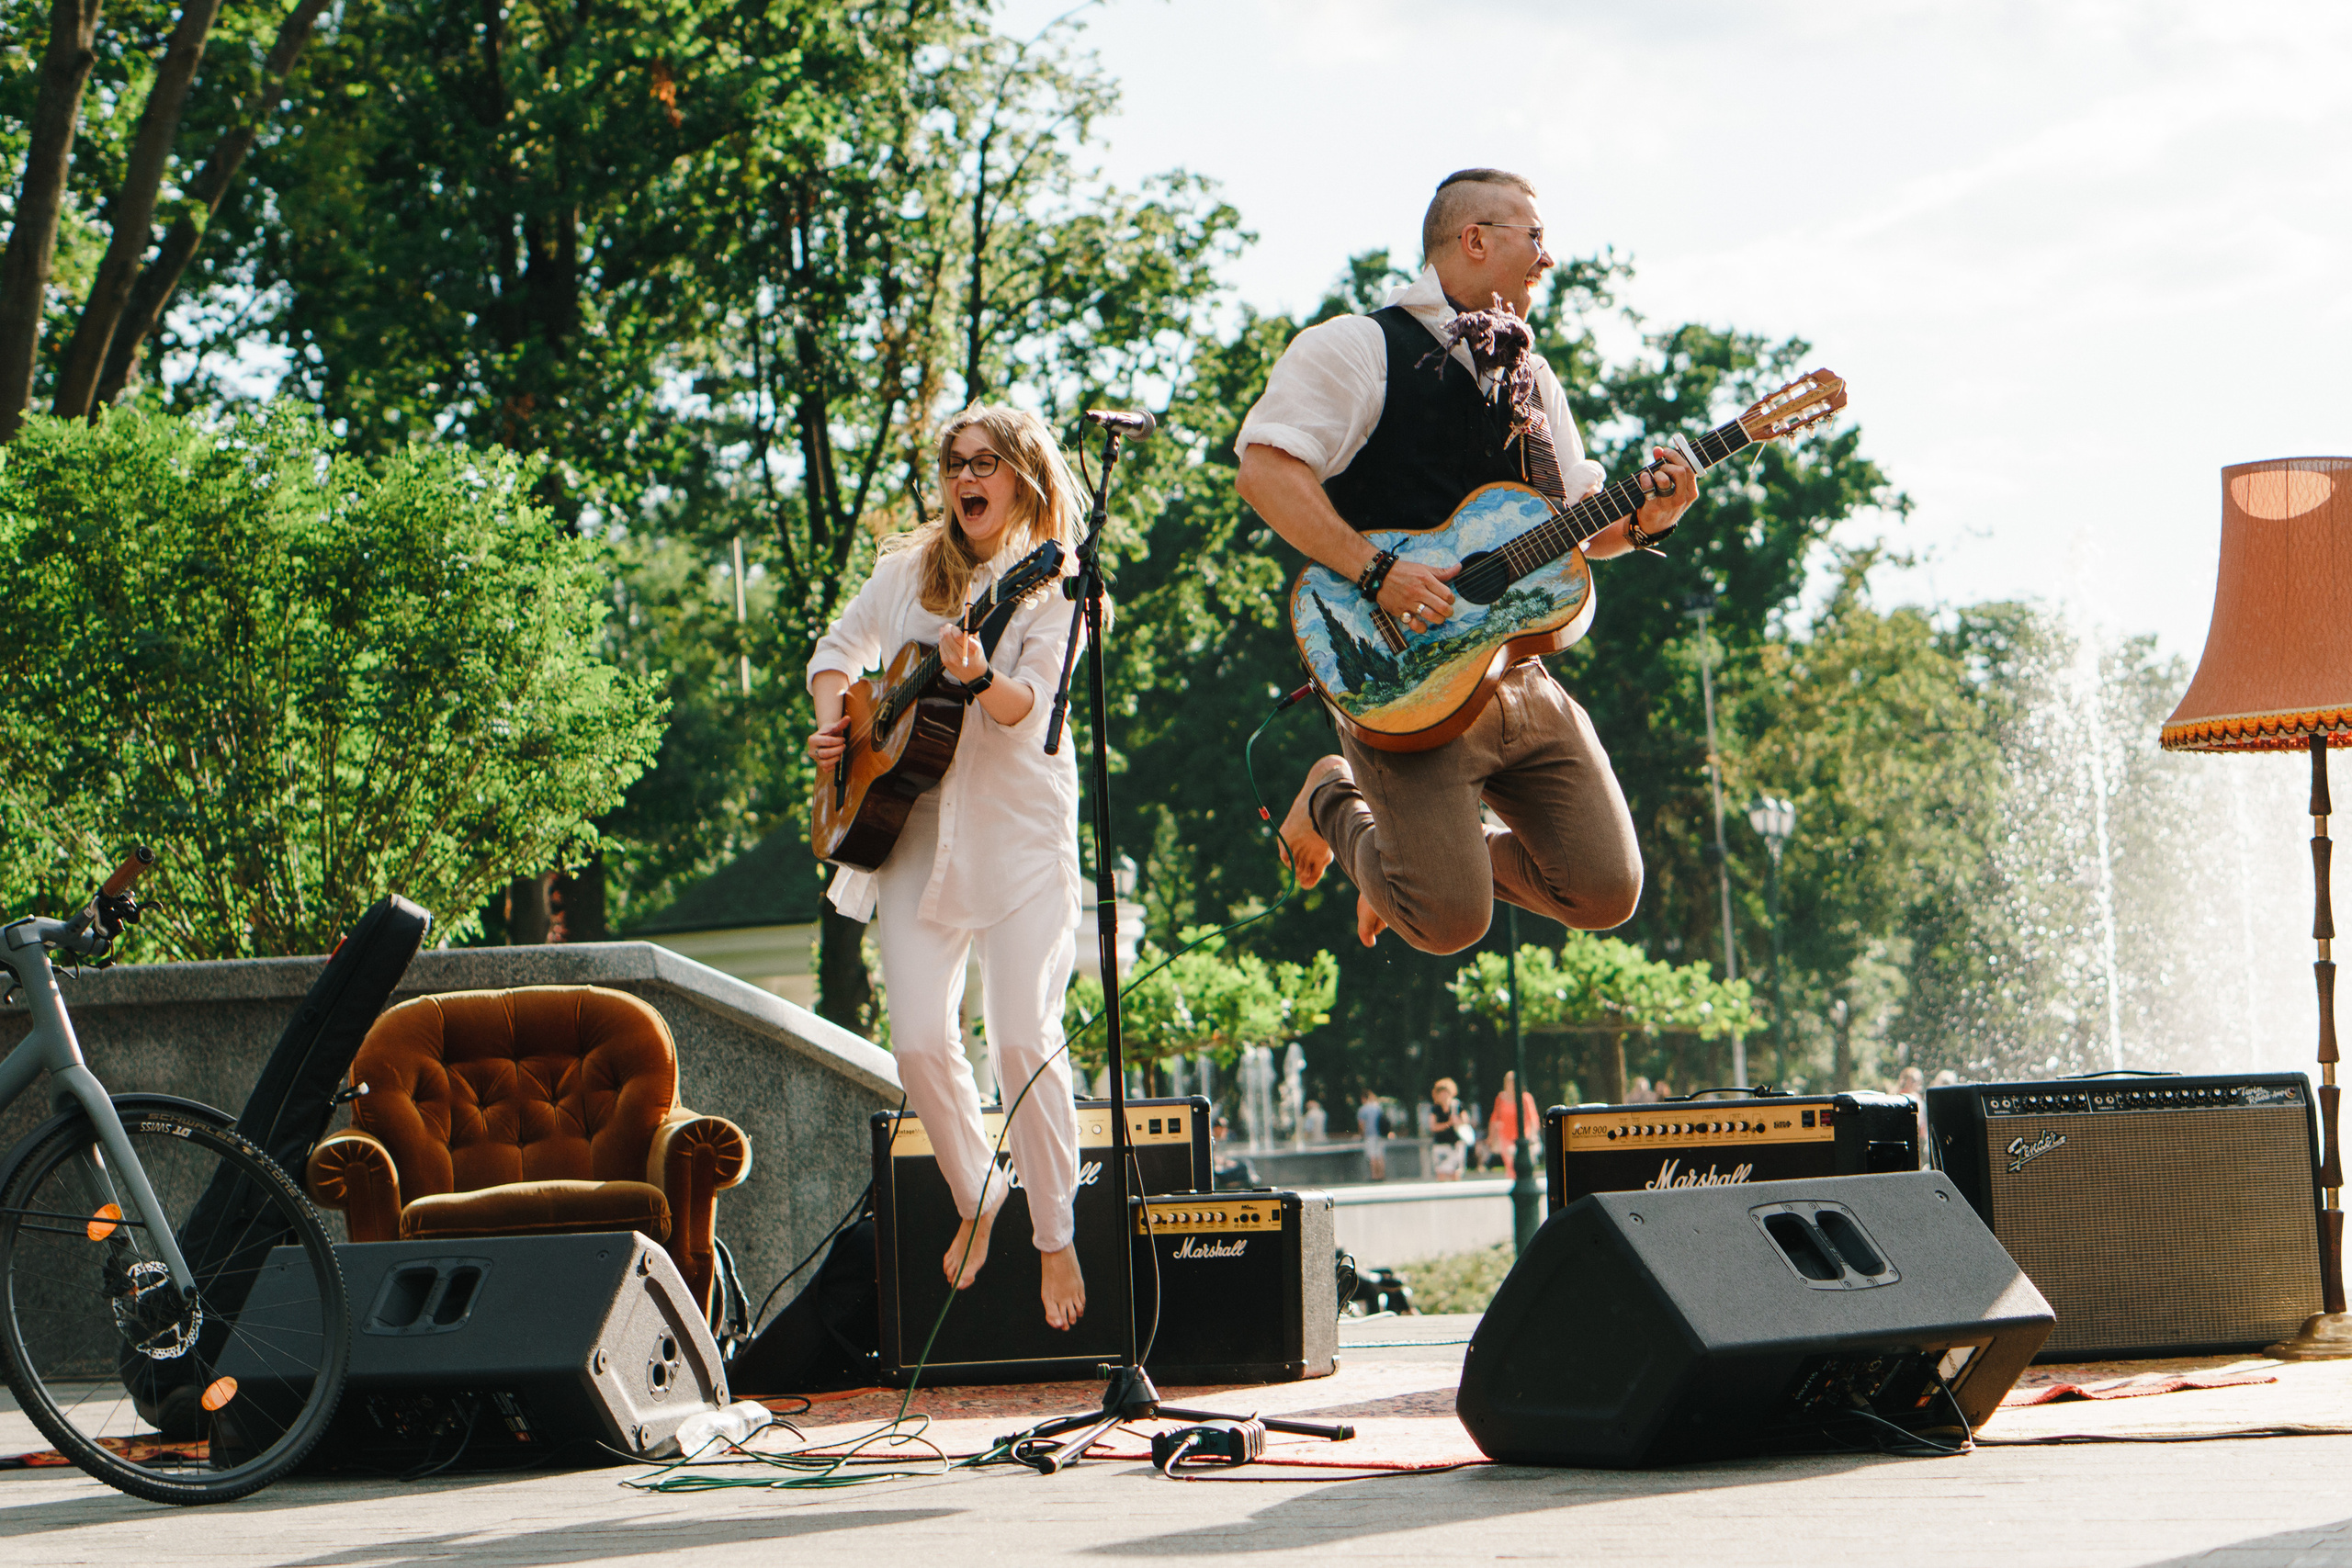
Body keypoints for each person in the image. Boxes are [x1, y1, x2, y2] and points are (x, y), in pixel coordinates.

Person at [1238, 168, 1699, 954]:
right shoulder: (1359, 347)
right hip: (1407, 687)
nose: (1549, 260)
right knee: (1450, 924)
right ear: (1475, 239)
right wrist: (1377, 570)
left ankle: (1421, 863)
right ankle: (1331, 795)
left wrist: (1649, 520)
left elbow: (1576, 532)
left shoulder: (1531, 375)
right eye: (1537, 237)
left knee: (1605, 890)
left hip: (1520, 678)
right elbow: (1265, 471)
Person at [806, 403, 1089, 1333]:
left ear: (1024, 479)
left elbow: (1029, 710)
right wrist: (837, 719)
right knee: (919, 1041)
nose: (968, 479)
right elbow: (836, 653)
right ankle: (980, 1195)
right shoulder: (903, 575)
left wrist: (973, 678)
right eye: (956, 464)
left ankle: (1054, 1230)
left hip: (1019, 834)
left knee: (1018, 1036)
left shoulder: (1060, 589)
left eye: (987, 465)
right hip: (908, 825)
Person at [1489, 1070, 1540, 1177]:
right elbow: (1494, 1120)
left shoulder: (1526, 1098)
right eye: (1509, 1082)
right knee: (1511, 1166)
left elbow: (1533, 1119)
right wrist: (1492, 1137)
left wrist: (1533, 1136)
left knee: (1525, 1165)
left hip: (1523, 1137)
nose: (1512, 1085)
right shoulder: (1500, 1098)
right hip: (1506, 1138)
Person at [1427, 1077, 1470, 1180]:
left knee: (1455, 1173)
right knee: (1441, 1173)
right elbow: (1433, 1127)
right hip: (1441, 1144)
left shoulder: (1457, 1106)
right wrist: (1448, 1123)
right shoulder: (1435, 1109)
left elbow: (1465, 1120)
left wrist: (1457, 1121)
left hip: (1455, 1144)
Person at [1357, 1087, 1388, 1180]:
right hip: (1380, 1135)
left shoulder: (1363, 1110)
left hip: (1369, 1135)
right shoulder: (1378, 1108)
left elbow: (1361, 1124)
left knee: (1372, 1156)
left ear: (1363, 1098)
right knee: (1380, 1155)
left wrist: (1362, 1135)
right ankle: (1382, 1175)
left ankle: (1374, 1176)